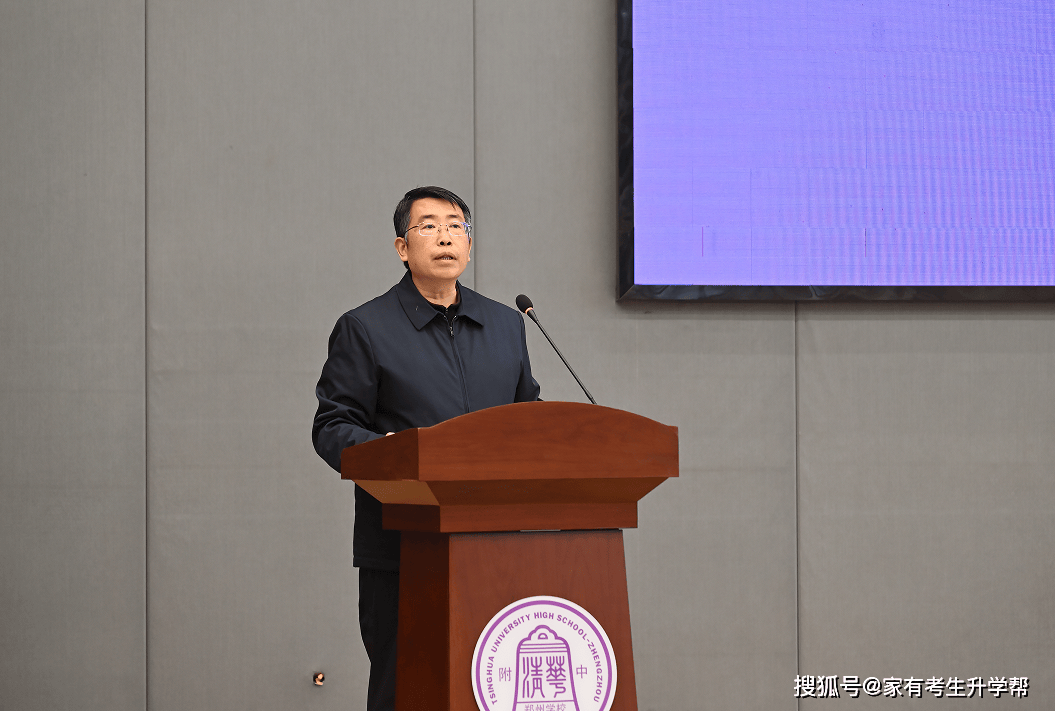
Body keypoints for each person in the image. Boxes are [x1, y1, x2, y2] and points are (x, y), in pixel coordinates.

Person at [312, 186, 541, 711]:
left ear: (469, 244)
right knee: (408, 691)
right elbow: (332, 426)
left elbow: (527, 417)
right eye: (429, 226)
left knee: (492, 688)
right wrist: (389, 452)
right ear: (402, 247)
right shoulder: (366, 328)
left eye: (456, 226)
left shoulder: (506, 324)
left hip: (495, 545)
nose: (445, 236)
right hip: (403, 548)